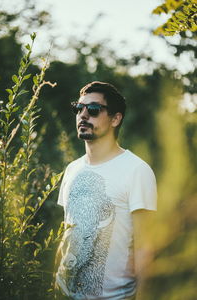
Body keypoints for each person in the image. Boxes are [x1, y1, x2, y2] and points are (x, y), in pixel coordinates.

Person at [55, 81, 157, 300]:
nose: (83, 115)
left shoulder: (137, 170)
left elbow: (145, 249)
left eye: (93, 109)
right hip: (64, 294)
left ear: (115, 119)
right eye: (78, 108)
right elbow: (66, 234)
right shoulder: (72, 170)